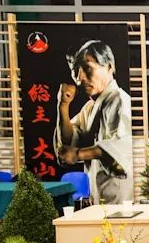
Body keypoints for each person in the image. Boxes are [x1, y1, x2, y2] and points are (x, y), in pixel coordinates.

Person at [55, 40, 133, 205]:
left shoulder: (119, 100)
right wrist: (63, 106)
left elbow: (119, 145)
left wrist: (79, 154)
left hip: (118, 195)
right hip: (98, 193)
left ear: (109, 67)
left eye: (87, 68)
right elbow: (69, 140)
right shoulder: (89, 107)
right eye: (76, 70)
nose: (80, 77)